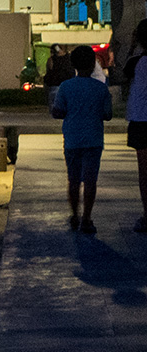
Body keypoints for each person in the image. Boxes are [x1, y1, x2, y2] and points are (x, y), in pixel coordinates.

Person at [52, 45, 113, 234]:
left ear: (74, 65)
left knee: (73, 180)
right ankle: (87, 218)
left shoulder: (66, 87)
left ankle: (74, 215)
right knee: (90, 180)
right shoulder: (101, 88)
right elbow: (108, 114)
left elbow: (58, 111)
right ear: (93, 64)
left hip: (72, 139)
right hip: (94, 139)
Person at [124, 19, 147, 232]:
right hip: (140, 118)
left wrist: (132, 46)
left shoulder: (135, 63)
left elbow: (121, 73)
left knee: (144, 172)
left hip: (141, 120)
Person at [43, 43, 75, 112]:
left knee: (54, 107)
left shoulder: (52, 60)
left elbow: (49, 70)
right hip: (67, 85)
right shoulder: (69, 59)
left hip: (55, 85)